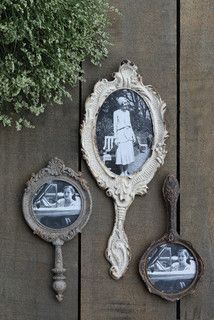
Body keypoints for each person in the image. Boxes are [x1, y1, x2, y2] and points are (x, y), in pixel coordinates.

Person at [113, 96, 136, 176]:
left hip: (128, 133)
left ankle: (126, 171)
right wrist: (116, 138)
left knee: (127, 153)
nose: (126, 106)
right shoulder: (116, 113)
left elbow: (130, 124)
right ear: (121, 104)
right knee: (121, 153)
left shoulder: (127, 112)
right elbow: (115, 126)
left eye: (127, 104)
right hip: (120, 134)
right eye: (125, 105)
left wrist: (133, 135)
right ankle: (122, 172)